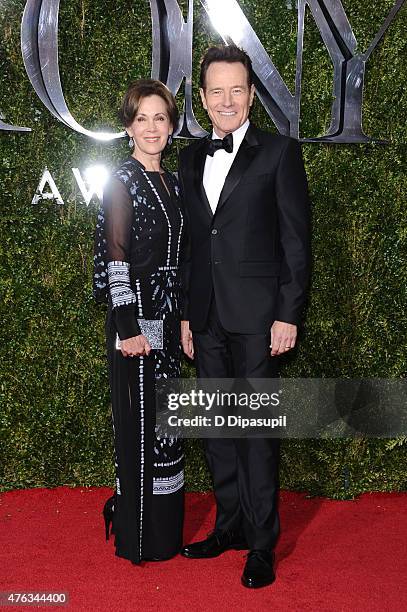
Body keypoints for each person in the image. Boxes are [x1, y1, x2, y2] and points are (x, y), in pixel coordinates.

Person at [178, 46, 311, 588]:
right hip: (205, 315)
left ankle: (261, 544)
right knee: (216, 428)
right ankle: (228, 526)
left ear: (251, 94)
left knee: (255, 432)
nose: (227, 100)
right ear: (204, 100)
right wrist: (188, 315)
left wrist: (288, 313)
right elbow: (191, 244)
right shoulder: (190, 157)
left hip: (259, 319)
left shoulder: (280, 152)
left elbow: (296, 242)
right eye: (217, 91)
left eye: (237, 89)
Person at [93, 79, 186, 564]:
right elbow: (117, 257)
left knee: (167, 427)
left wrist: (184, 320)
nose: (152, 128)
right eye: (142, 118)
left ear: (171, 126)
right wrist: (128, 328)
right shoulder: (121, 180)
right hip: (139, 324)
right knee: (141, 427)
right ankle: (139, 536)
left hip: (169, 322)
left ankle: (167, 534)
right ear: (129, 126)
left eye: (160, 118)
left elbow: (183, 257)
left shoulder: (172, 182)